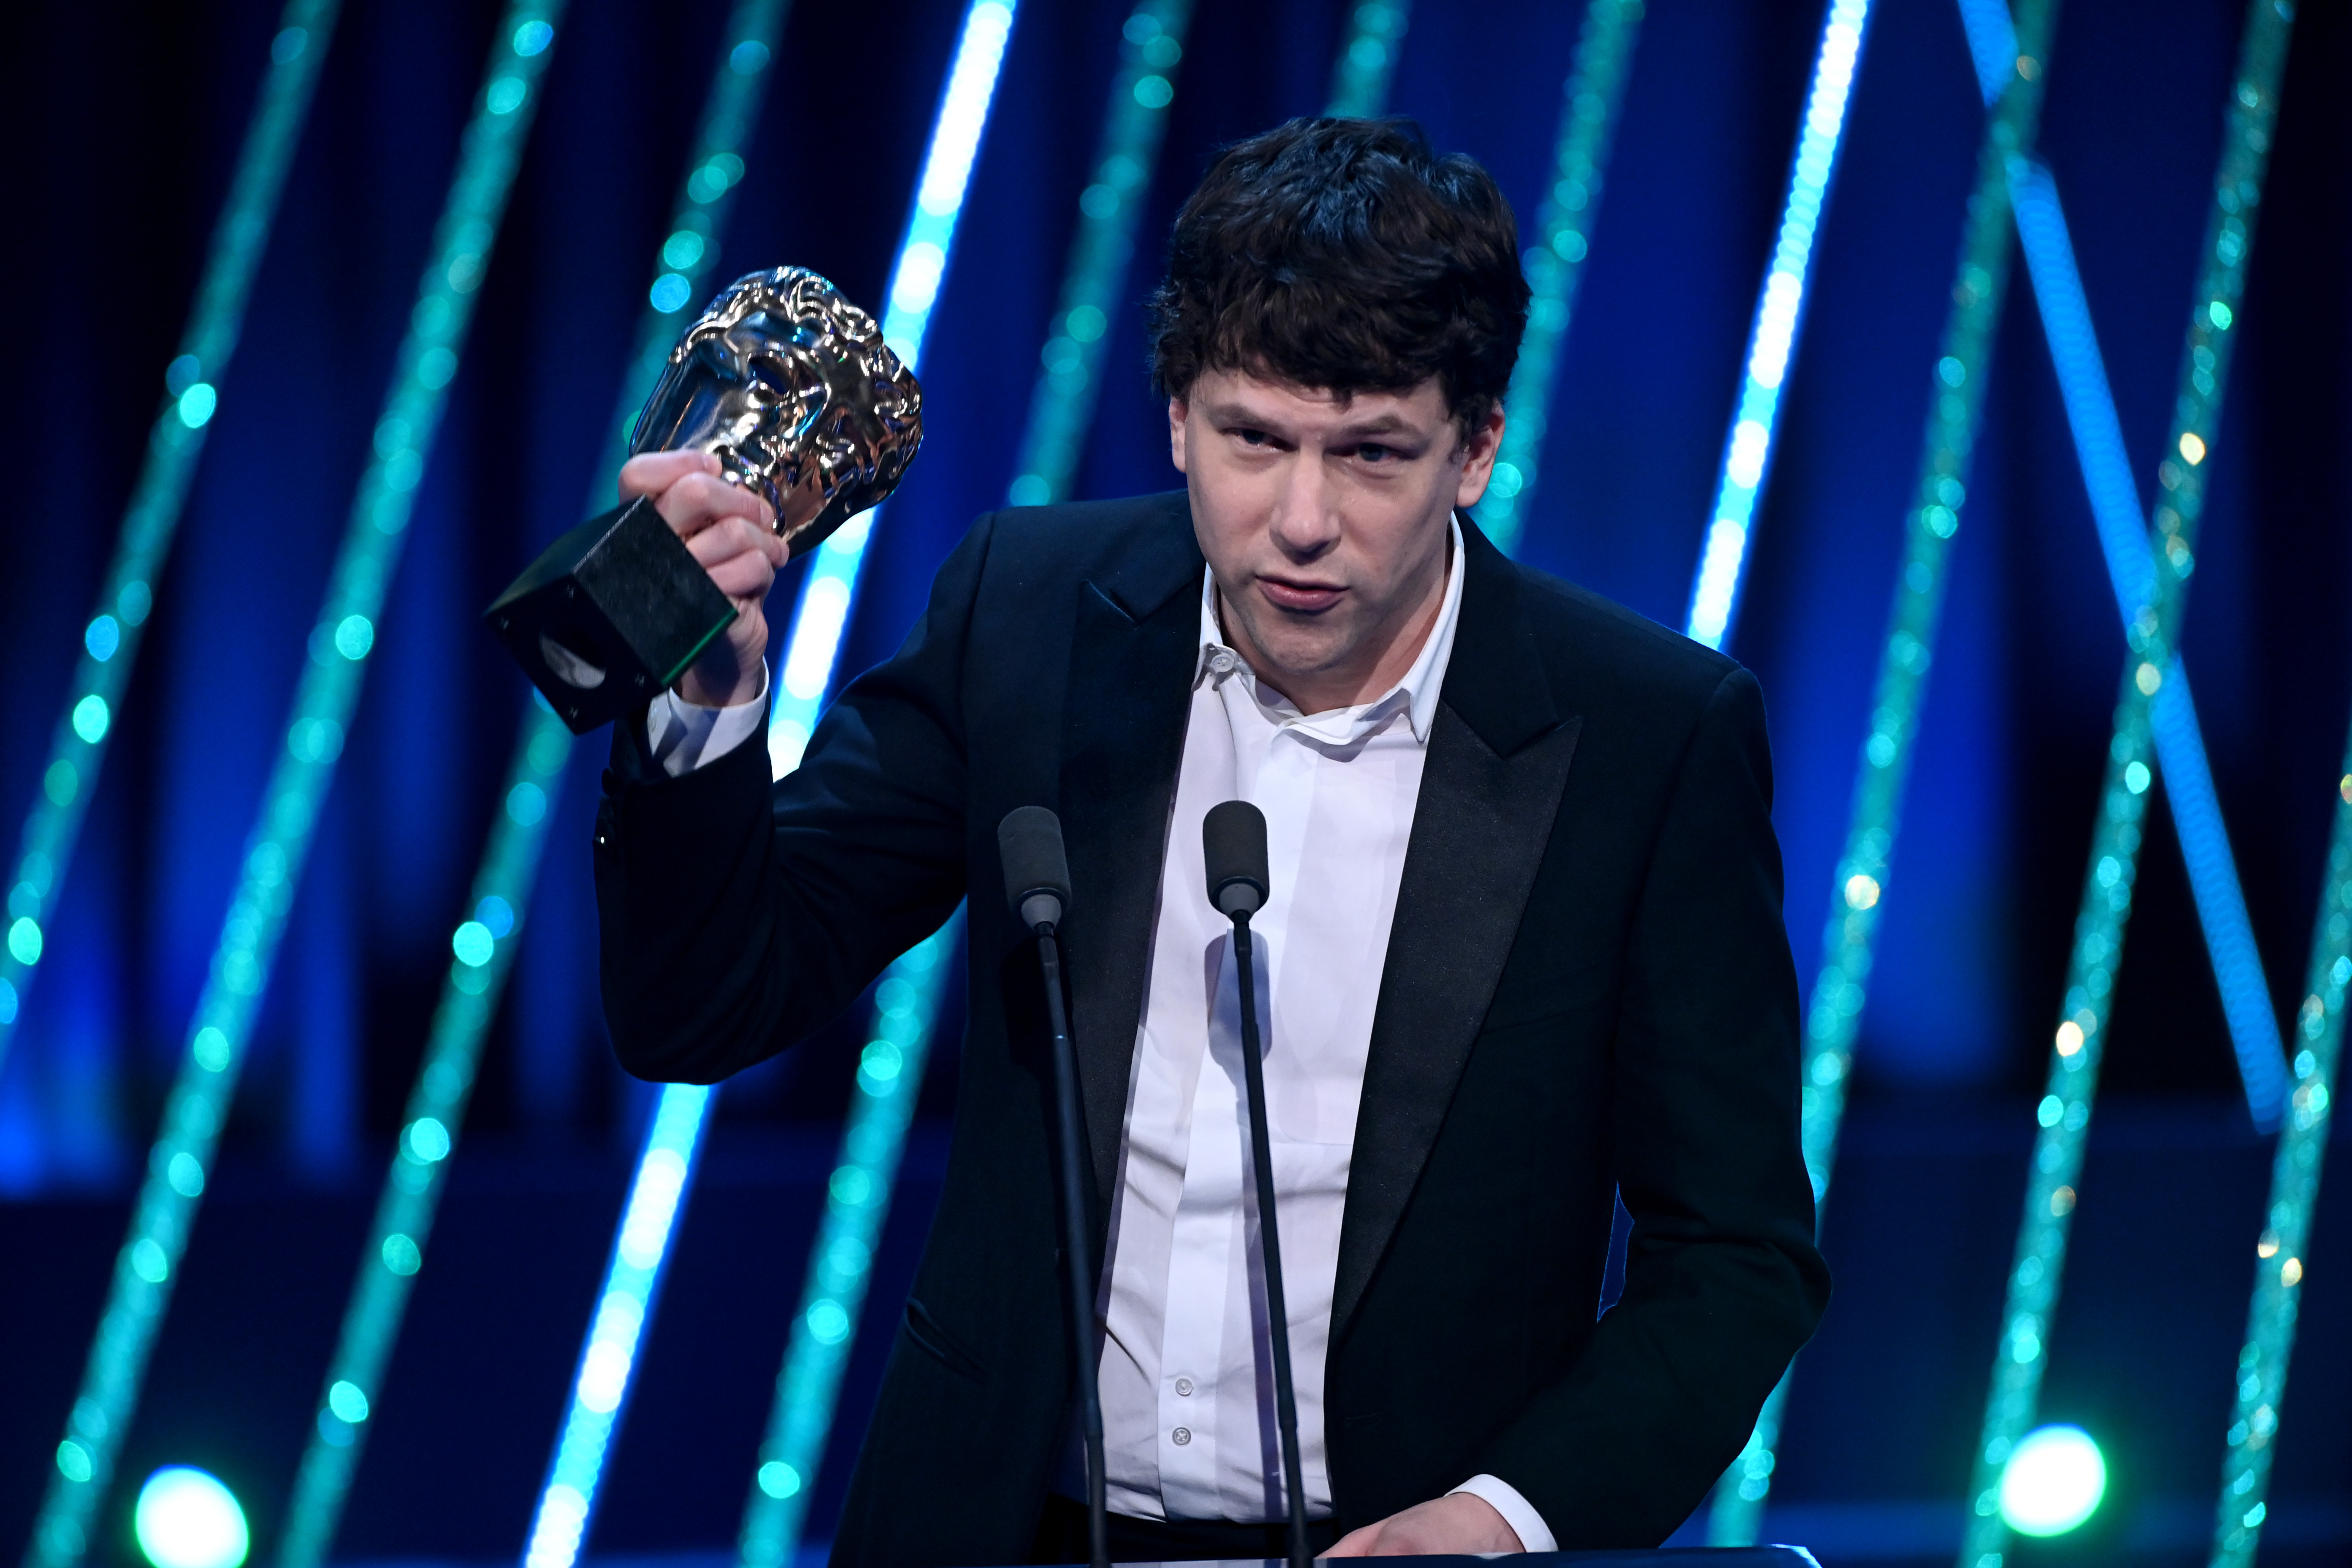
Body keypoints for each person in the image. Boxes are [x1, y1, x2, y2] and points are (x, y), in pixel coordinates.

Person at [594, 117, 1828, 1565]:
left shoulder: (1647, 737)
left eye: (1372, 455)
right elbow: (707, 1002)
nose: (1303, 521)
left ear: (1476, 447)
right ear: (1178, 414)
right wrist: (706, 698)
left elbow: (1735, 1258)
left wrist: (1500, 1520)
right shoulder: (1030, 614)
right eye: (1254, 440)